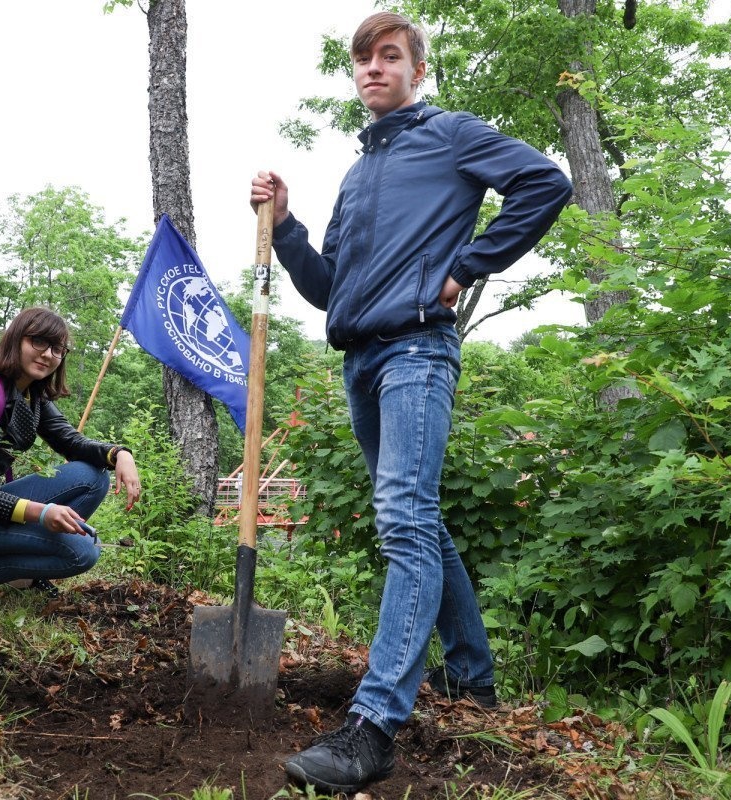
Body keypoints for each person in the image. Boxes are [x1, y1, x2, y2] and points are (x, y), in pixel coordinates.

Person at [249, 11, 572, 795]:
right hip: (359, 358)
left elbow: (546, 182)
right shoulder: (359, 175)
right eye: (362, 59)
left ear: (416, 71)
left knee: (402, 520)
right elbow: (330, 289)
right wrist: (287, 226)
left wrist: (469, 265)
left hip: (418, 352)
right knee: (419, 520)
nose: (373, 68)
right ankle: (473, 681)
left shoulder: (451, 134)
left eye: (389, 56)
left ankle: (373, 728)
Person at [0, 307, 141, 612]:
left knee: (93, 476)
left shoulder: (31, 396)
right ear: (17, 339)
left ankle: (24, 575)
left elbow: (70, 441)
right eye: (39, 342)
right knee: (81, 553)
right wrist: (40, 513)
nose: (48, 355)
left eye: (58, 349)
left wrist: (120, 453)